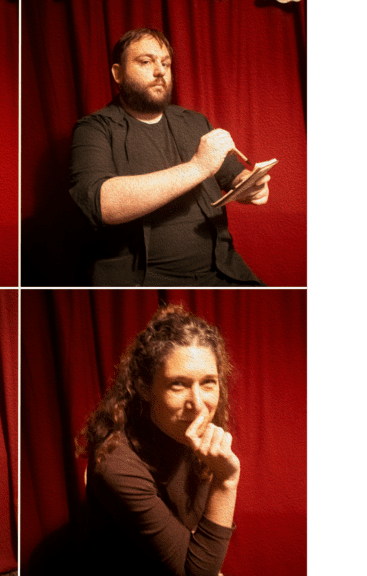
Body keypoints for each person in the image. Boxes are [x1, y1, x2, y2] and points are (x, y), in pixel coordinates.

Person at [69, 28, 270, 286]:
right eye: (146, 61)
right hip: (143, 280)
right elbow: (100, 204)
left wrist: (252, 185)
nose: (160, 71)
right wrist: (197, 167)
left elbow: (234, 177)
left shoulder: (195, 122)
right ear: (117, 73)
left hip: (222, 272)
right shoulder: (94, 129)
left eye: (166, 63)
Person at [77, 304, 241, 576]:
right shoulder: (116, 461)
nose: (198, 405)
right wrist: (226, 481)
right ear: (143, 387)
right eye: (178, 384)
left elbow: (200, 543)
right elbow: (196, 573)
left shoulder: (192, 433)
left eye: (208, 382)